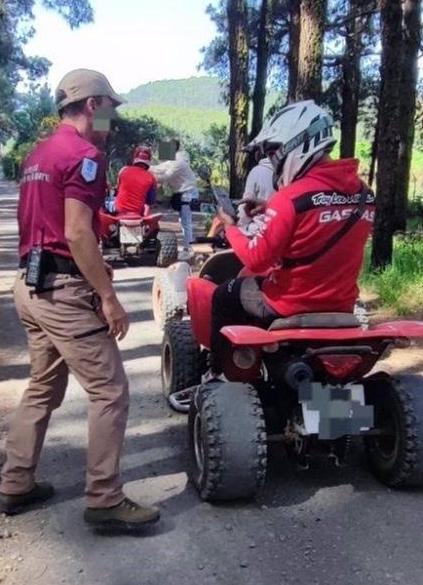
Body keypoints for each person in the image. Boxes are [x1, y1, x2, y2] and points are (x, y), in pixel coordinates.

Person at [0, 68, 160, 531]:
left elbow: (43, 223)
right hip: (63, 292)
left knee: (43, 386)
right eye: (111, 107)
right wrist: (108, 297)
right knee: (109, 390)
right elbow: (73, 232)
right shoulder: (85, 155)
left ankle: (16, 483)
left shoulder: (39, 154)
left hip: (29, 287)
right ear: (94, 105)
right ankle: (105, 500)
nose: (113, 117)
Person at [171, 101, 372, 411]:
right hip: (341, 302)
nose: (273, 160)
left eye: (274, 151)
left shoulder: (291, 197)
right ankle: (337, 412)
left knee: (225, 294)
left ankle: (223, 373)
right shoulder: (363, 194)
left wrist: (231, 227)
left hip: (289, 301)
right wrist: (271, 212)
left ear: (300, 145)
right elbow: (324, 223)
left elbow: (256, 259)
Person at [149, 140, 200, 258]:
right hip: (181, 192)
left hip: (187, 192)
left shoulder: (178, 162)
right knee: (183, 221)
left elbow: (164, 177)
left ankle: (188, 249)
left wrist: (146, 175)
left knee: (186, 222)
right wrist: (143, 166)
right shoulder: (172, 161)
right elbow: (158, 168)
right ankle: (188, 247)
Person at [113, 146, 158, 217]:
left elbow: (117, 190)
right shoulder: (151, 177)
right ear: (148, 161)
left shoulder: (123, 170)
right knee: (154, 227)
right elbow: (151, 201)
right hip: (138, 214)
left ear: (135, 158)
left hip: (119, 211)